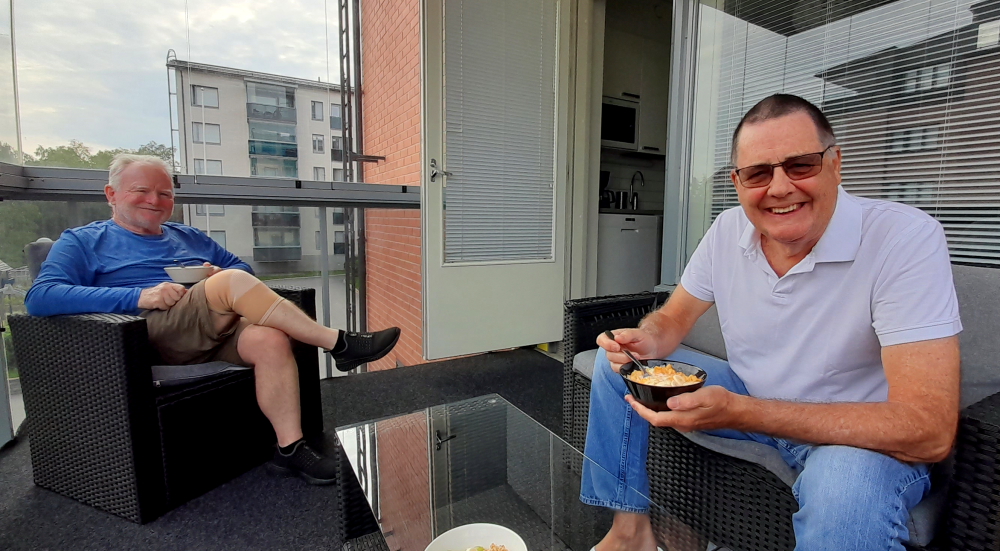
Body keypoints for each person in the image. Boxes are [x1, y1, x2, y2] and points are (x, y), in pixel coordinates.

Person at [582, 94, 961, 551]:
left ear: (835, 163)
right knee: (617, 366)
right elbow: (674, 317)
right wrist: (647, 338)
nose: (779, 188)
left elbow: (928, 429)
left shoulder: (902, 238)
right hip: (750, 399)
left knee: (843, 489)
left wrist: (743, 411)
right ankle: (630, 532)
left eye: (800, 165)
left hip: (856, 439)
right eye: (758, 173)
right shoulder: (727, 231)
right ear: (737, 182)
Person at [25, 153, 402, 486]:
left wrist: (216, 275)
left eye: (165, 193)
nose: (155, 200)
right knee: (232, 283)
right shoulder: (82, 241)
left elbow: (241, 269)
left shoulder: (185, 235)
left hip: (207, 327)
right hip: (144, 335)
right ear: (112, 194)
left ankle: (289, 449)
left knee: (269, 339)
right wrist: (139, 295)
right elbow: (40, 297)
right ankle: (339, 344)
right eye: (141, 191)